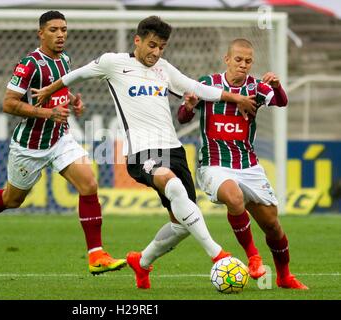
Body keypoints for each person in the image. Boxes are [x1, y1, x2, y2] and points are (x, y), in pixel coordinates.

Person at [31, 16, 259, 289]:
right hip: (141, 151)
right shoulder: (113, 63)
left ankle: (141, 262)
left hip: (173, 149)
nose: (156, 52)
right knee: (171, 184)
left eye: (161, 47)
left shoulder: (163, 68)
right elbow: (76, 73)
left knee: (182, 223)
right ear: (137, 40)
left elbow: (196, 88)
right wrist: (50, 89)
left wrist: (236, 98)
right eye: (152, 45)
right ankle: (218, 254)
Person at [0, 11, 126, 275]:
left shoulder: (65, 60)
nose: (61, 35)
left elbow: (57, 94)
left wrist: (72, 101)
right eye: (54, 30)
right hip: (30, 146)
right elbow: (8, 104)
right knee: (12, 199)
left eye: (64, 30)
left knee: (89, 184)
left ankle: (96, 255)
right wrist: (49, 113)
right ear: (41, 33)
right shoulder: (29, 64)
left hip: (60, 137)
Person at [177, 38, 308, 289]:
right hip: (213, 163)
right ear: (227, 59)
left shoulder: (257, 87)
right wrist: (189, 106)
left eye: (248, 61)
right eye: (238, 60)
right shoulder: (208, 84)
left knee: (272, 225)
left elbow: (281, 101)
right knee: (234, 197)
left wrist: (278, 86)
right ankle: (253, 258)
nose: (243, 65)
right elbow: (183, 118)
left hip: (248, 165)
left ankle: (284, 276)